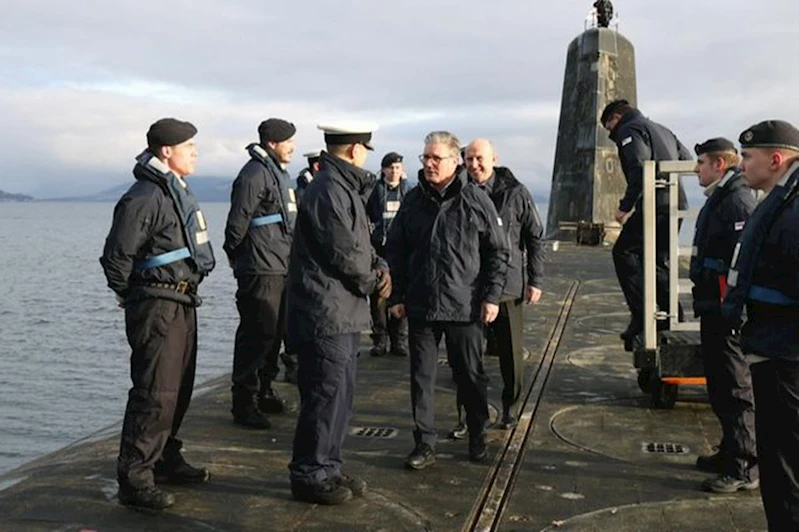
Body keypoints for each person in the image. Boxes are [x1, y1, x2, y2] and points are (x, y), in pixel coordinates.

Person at [100, 118, 216, 510]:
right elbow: (116, 258)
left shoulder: (173, 190)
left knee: (178, 389)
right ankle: (135, 479)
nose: (196, 153)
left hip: (182, 302)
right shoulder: (144, 197)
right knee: (155, 392)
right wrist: (134, 298)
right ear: (167, 151)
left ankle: (165, 458)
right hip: (157, 305)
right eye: (189, 147)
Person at [385, 131, 509, 469]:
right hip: (422, 304)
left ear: (455, 161)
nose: (429, 164)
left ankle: (477, 434)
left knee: (470, 375)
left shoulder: (475, 199)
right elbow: (396, 249)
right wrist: (397, 295)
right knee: (421, 378)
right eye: (425, 158)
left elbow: (498, 251)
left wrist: (492, 297)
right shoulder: (413, 200)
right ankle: (424, 442)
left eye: (436, 158)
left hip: (464, 304)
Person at [286, 122, 391, 505]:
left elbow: (362, 243)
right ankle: (309, 473)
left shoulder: (342, 187)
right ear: (355, 150)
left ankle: (328, 466)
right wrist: (375, 279)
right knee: (324, 394)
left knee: (340, 397)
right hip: (325, 311)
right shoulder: (329, 190)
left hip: (341, 310)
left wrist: (379, 265)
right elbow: (345, 253)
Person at [722, 120, 799, 531]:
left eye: (747, 156)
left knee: (785, 468)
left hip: (785, 358)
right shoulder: (782, 202)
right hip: (773, 349)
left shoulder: (793, 209)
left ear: (775, 159)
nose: (741, 164)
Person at [689, 138, 757, 493]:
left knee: (735, 386)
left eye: (701, 162)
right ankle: (730, 450)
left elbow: (743, 261)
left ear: (718, 164)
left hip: (726, 312)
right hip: (713, 307)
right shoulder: (721, 198)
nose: (696, 168)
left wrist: (733, 309)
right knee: (718, 383)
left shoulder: (736, 201)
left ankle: (744, 466)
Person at [465, 139, 545, 430]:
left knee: (511, 353)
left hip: (509, 287)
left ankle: (510, 406)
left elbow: (534, 237)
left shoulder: (516, 192)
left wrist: (535, 279)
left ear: (494, 159)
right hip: (469, 285)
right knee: (467, 356)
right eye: (469, 159)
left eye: (480, 158)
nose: (474, 165)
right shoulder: (460, 192)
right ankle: (469, 414)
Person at [223, 118, 297, 429]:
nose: (292, 147)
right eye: (287, 141)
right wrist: (240, 259)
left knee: (276, 332)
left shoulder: (278, 174)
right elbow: (236, 224)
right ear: (272, 143)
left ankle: (265, 390)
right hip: (260, 268)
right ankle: (243, 402)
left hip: (281, 265)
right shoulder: (254, 175)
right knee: (256, 334)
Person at [600, 99, 690, 347]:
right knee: (659, 260)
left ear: (617, 117)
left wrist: (625, 206)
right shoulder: (662, 129)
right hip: (676, 202)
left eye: (609, 128)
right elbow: (686, 158)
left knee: (624, 252)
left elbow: (638, 168)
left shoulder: (629, 129)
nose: (611, 134)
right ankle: (672, 314)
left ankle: (642, 314)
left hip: (655, 204)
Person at [366, 151, 410, 357]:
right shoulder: (375, 191)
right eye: (391, 167)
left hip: (402, 251)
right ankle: (380, 339)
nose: (394, 171)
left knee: (400, 293)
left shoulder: (408, 191)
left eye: (398, 168)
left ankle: (399, 340)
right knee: (379, 296)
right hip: (380, 249)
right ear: (383, 169)